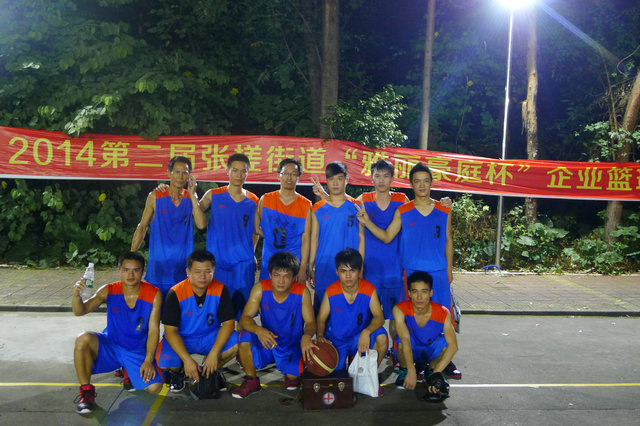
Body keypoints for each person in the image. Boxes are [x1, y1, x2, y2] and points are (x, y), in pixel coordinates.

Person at [356, 162, 461, 379]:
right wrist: (366, 222)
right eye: (417, 181)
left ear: (431, 183)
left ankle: (445, 360)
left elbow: (449, 241)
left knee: (443, 319)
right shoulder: (403, 210)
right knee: (412, 319)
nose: (421, 185)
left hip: (438, 273)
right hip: (411, 274)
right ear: (411, 184)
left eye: (425, 181)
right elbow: (387, 236)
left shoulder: (444, 210)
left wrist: (449, 270)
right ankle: (416, 359)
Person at [72, 251, 163, 414]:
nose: (130, 274)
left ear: (143, 272)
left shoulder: (154, 294)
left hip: (135, 350)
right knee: (82, 339)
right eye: (126, 269)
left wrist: (148, 359)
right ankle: (86, 392)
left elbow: (154, 330)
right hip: (111, 344)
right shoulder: (108, 290)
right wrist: (76, 295)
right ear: (119, 270)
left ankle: (128, 369)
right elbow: (80, 311)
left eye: (136, 270)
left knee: (155, 387)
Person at [232, 251, 317, 398]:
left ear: (294, 277)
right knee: (245, 335)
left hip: (291, 344)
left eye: (286, 276)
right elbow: (245, 318)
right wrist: (258, 330)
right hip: (267, 342)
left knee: (292, 379)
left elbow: (310, 323)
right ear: (270, 275)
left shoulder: (302, 292)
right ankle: (251, 380)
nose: (281, 281)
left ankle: (289, 369)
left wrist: (307, 336)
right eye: (277, 275)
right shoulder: (260, 288)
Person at [157, 250, 238, 392]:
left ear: (213, 272)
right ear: (188, 272)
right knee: (163, 362)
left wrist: (214, 354)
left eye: (208, 271)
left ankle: (212, 370)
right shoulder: (175, 293)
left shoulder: (220, 289)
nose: (203, 276)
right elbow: (170, 332)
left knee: (239, 342)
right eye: (197, 271)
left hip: (209, 336)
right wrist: (187, 360)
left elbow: (229, 324)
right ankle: (179, 372)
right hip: (183, 338)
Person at [131, 156, 207, 299]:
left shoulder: (190, 198)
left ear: (189, 176)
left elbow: (201, 224)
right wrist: (130, 256)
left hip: (182, 270)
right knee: (155, 312)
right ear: (169, 173)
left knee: (178, 312)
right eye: (177, 172)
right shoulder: (155, 196)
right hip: (158, 270)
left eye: (184, 173)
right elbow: (142, 227)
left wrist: (193, 195)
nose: (180, 176)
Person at [316, 248, 388, 396]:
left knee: (381, 337)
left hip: (359, 338)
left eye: (352, 270)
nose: (348, 275)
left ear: (359, 271)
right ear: (337, 272)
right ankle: (348, 361)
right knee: (335, 375)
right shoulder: (331, 291)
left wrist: (366, 332)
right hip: (337, 339)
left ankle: (370, 374)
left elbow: (379, 317)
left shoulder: (369, 289)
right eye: (343, 271)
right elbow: (321, 319)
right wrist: (320, 336)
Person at [198, 153, 259, 319]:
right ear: (228, 171)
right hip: (217, 262)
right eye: (235, 170)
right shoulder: (213, 195)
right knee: (217, 310)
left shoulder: (253, 201)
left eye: (243, 171)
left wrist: (252, 253)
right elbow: (194, 210)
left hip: (242, 263)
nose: (239, 175)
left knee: (243, 311)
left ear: (248, 173)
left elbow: (255, 231)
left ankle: (241, 336)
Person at [393, 271, 458, 402]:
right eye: (415, 291)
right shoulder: (399, 309)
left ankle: (430, 370)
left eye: (424, 291)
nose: (419, 297)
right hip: (411, 347)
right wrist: (411, 370)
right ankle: (404, 370)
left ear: (431, 293)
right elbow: (405, 340)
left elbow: (454, 347)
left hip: (430, 349)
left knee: (446, 344)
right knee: (400, 342)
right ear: (409, 293)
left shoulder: (443, 312)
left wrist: (437, 373)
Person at [309, 161, 364, 307]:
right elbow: (314, 239)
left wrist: (361, 266)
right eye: (331, 179)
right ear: (326, 181)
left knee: (348, 310)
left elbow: (361, 239)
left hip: (350, 268)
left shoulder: (357, 207)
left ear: (346, 179)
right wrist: (311, 266)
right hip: (324, 266)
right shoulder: (317, 208)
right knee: (322, 313)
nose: (335, 183)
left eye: (339, 178)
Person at [254, 158, 312, 284]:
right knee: (266, 294)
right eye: (285, 173)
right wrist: (266, 234)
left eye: (294, 174)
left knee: (293, 296)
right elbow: (256, 226)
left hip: (293, 264)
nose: (289, 178)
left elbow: (306, 239)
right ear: (278, 175)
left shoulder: (306, 205)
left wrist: (303, 268)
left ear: (298, 178)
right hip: (269, 262)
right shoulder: (266, 200)